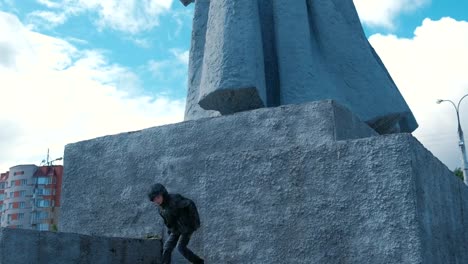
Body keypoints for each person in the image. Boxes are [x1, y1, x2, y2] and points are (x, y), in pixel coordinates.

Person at [148, 183, 204, 264]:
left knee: (181, 247)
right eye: (154, 199)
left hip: (186, 227)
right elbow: (167, 221)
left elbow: (190, 204)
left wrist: (195, 221)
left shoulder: (174, 200)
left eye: (158, 197)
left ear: (163, 194)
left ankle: (199, 262)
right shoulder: (160, 209)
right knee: (167, 247)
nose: (156, 201)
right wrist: (170, 230)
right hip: (175, 229)